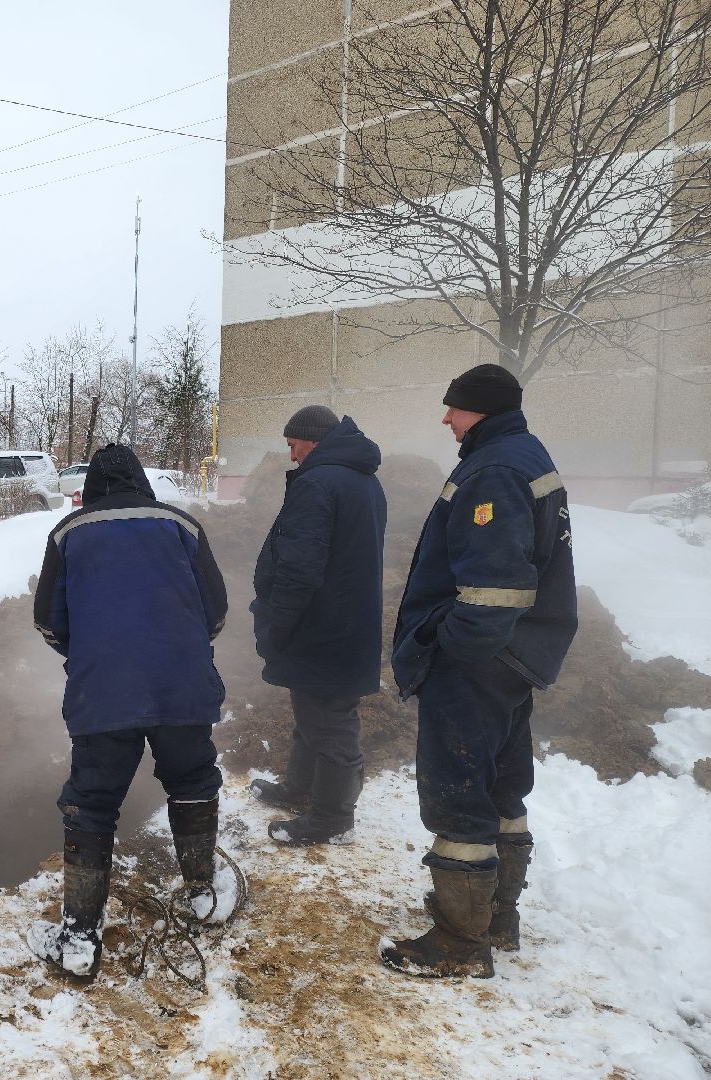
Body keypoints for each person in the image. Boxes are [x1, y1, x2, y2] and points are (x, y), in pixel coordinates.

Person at [380, 364, 577, 979]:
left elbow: (495, 586)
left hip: (480, 662)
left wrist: (450, 647)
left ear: (482, 410)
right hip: (516, 656)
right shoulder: (522, 455)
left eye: (454, 408)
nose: (446, 418)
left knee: (459, 790)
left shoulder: (493, 470)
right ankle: (495, 916)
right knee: (501, 787)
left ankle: (459, 945)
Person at [29, 444, 229, 980]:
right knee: (192, 780)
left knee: (92, 804)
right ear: (142, 482)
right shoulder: (181, 525)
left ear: (91, 487)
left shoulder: (69, 533)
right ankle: (202, 893)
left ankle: (78, 939)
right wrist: (181, 650)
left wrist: (92, 654)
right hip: (182, 687)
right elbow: (216, 611)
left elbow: (48, 621)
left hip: (104, 692)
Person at [249, 405, 387, 845]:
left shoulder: (318, 483)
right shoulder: (365, 482)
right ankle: (300, 789)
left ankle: (332, 820)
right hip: (347, 621)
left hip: (323, 625)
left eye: (293, 446)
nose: (291, 456)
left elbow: (299, 570)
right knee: (313, 711)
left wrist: (277, 626)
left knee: (330, 722)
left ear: (313, 440)